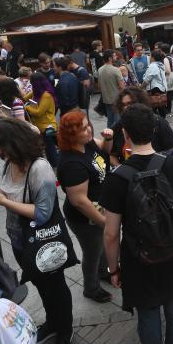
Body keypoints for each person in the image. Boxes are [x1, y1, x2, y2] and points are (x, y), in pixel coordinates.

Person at [101, 104, 173, 344]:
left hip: (137, 256)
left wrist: (114, 269)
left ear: (126, 135)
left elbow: (110, 234)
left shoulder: (117, 178)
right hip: (172, 248)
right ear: (154, 131)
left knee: (148, 312)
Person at [0, 119, 73, 344]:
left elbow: (42, 213)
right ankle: (53, 323)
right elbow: (10, 192)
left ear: (9, 144)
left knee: (56, 288)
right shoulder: (10, 163)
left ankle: (65, 331)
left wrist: (3, 201)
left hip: (43, 241)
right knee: (42, 286)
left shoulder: (39, 168)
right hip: (21, 241)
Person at [57, 111, 114, 303]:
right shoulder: (72, 163)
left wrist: (108, 139)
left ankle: (104, 272)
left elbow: (105, 152)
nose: (89, 129)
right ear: (71, 135)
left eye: (88, 125)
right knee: (93, 251)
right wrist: (103, 222)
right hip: (85, 218)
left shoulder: (87, 143)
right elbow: (79, 201)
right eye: (83, 128)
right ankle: (91, 287)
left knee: (103, 245)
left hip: (101, 207)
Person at [109, 87, 173, 166]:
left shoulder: (158, 122)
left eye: (130, 103)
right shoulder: (119, 125)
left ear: (141, 103)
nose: (126, 108)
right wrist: (121, 169)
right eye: (123, 105)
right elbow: (112, 155)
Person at [26, 72, 60, 167]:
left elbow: (39, 112)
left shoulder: (46, 95)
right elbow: (24, 98)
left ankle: (55, 164)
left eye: (32, 83)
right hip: (40, 125)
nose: (31, 85)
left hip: (48, 127)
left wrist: (27, 107)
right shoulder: (36, 91)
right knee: (48, 146)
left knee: (50, 147)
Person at [98, 49, 126, 128]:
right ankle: (116, 137)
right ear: (110, 58)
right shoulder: (116, 70)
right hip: (116, 99)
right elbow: (122, 86)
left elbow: (100, 85)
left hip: (106, 99)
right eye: (114, 55)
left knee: (110, 120)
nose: (116, 57)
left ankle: (109, 136)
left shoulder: (100, 69)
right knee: (117, 121)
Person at [142, 50, 168, 116]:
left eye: (150, 56)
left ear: (153, 57)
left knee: (153, 108)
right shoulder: (161, 65)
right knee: (161, 107)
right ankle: (163, 121)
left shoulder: (153, 66)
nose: (150, 57)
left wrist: (141, 86)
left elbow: (147, 79)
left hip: (155, 89)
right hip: (162, 88)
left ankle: (156, 122)